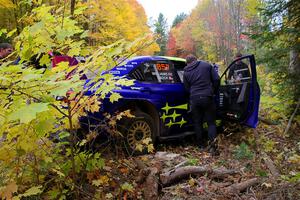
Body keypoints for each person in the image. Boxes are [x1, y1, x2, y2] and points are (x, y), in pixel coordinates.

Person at [183, 54, 220, 154]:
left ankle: (200, 145)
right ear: (196, 59)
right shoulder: (206, 65)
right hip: (207, 97)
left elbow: (186, 88)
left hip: (194, 99)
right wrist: (213, 91)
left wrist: (193, 94)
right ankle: (213, 146)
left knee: (197, 122)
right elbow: (216, 79)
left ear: (187, 63)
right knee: (211, 123)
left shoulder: (186, 71)